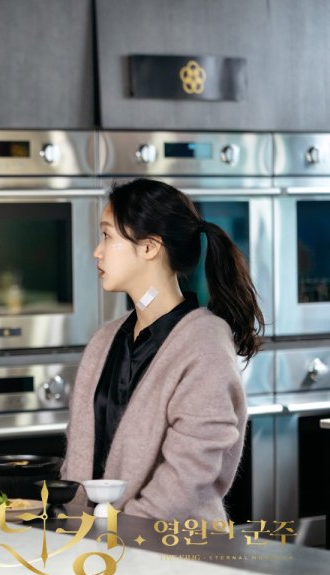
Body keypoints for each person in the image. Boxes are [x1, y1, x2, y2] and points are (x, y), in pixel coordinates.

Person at [60, 178, 265, 521]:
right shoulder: (103, 341)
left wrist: (120, 532)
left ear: (149, 247)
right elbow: (79, 460)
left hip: (173, 546)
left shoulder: (205, 346)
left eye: (107, 236)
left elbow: (189, 476)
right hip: (97, 544)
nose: (97, 251)